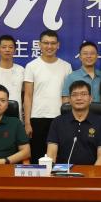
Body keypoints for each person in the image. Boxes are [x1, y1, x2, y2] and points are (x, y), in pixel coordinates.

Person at [24, 29, 72, 161]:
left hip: (60, 118)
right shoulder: (31, 66)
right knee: (38, 158)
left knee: (60, 158)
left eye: (53, 43)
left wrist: (68, 119)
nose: (49, 46)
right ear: (39, 45)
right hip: (37, 118)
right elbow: (27, 95)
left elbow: (67, 96)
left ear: (58, 45)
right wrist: (27, 122)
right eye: (46, 43)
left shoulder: (66, 66)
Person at [47, 80, 101, 166]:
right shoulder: (57, 122)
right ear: (69, 100)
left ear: (90, 98)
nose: (79, 98)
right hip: (63, 172)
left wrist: (93, 173)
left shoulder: (100, 122)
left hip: (91, 171)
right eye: (75, 95)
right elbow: (51, 155)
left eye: (83, 94)